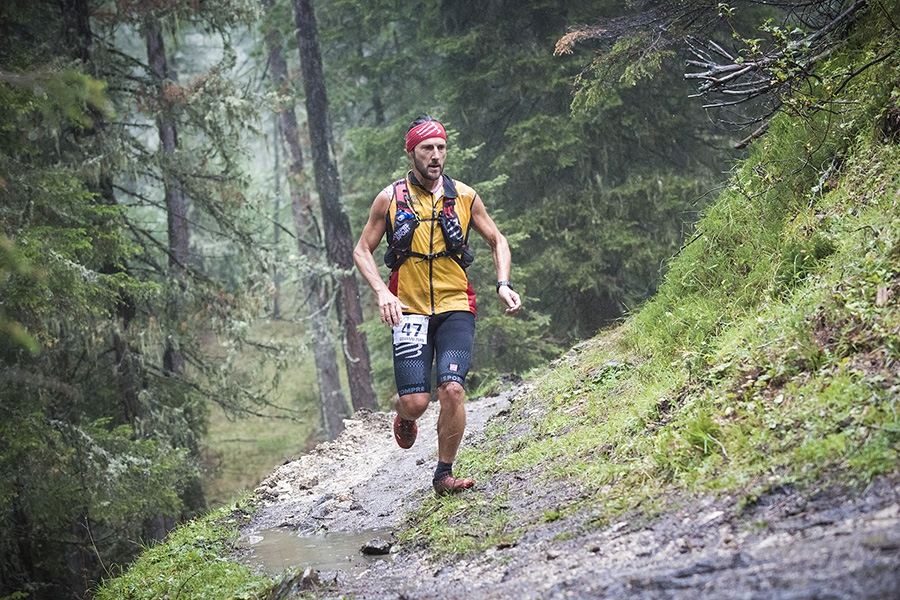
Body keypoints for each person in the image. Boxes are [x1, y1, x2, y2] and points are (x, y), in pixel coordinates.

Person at [353, 115, 522, 496]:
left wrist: (503, 283)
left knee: (452, 390)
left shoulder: (464, 196)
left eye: (441, 148)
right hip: (409, 309)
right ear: (411, 151)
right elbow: (362, 249)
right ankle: (404, 414)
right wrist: (382, 291)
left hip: (456, 304)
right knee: (416, 402)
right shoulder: (390, 199)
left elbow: (498, 240)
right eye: (427, 148)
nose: (435, 156)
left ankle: (443, 475)